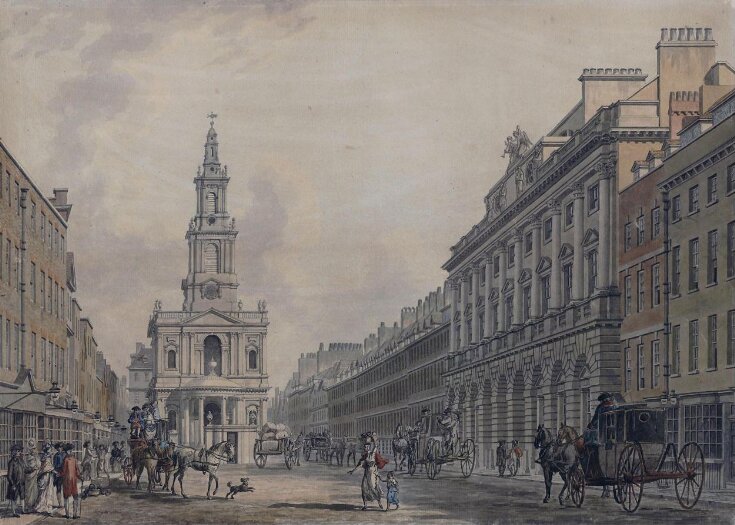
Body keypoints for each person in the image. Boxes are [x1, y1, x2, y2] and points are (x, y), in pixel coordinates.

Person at [349, 440, 387, 511]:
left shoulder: (373, 454)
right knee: (364, 488)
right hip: (367, 475)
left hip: (373, 475)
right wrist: (353, 471)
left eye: (367, 447)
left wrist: (374, 440)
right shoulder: (365, 456)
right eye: (365, 447)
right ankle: (365, 505)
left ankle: (379, 503)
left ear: (370, 447)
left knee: (374, 489)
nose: (366, 448)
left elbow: (375, 447)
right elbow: (360, 465)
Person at [34, 442, 57, 516]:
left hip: (47, 476)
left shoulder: (46, 457)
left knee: (46, 492)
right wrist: (55, 471)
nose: (52, 451)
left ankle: (45, 507)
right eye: (50, 449)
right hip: (45, 476)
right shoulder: (46, 458)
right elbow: (46, 468)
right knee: (45, 492)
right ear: (48, 450)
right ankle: (45, 508)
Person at [60, 443, 82, 519]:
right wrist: (80, 477)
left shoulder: (65, 460)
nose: (70, 452)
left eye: (70, 450)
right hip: (73, 481)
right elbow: (77, 471)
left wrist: (58, 474)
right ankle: (74, 514)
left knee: (67, 497)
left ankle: (68, 514)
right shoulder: (74, 459)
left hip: (67, 481)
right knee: (75, 497)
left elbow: (63, 472)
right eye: (70, 450)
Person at [6, 444, 26, 517]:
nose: (18, 453)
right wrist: (12, 484)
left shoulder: (21, 461)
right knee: (14, 498)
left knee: (22, 496)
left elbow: (25, 469)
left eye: (19, 451)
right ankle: (14, 512)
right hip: (14, 483)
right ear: (13, 452)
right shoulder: (11, 462)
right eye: (17, 451)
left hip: (21, 483)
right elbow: (9, 475)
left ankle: (23, 510)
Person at [23, 439, 39, 513]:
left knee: (34, 491)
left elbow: (38, 464)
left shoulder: (36, 456)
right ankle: (28, 507)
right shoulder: (27, 456)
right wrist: (32, 468)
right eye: (31, 448)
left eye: (34, 448)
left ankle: (33, 506)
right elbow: (26, 466)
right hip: (29, 475)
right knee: (28, 491)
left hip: (34, 474)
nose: (33, 450)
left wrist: (36, 467)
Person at [52, 442, 66, 508]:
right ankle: (60, 503)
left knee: (65, 488)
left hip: (64, 473)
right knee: (58, 488)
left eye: (60, 447)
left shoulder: (65, 455)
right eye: (58, 448)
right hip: (57, 473)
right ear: (57, 448)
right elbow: (54, 466)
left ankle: (65, 502)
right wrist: (56, 473)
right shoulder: (55, 456)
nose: (59, 449)